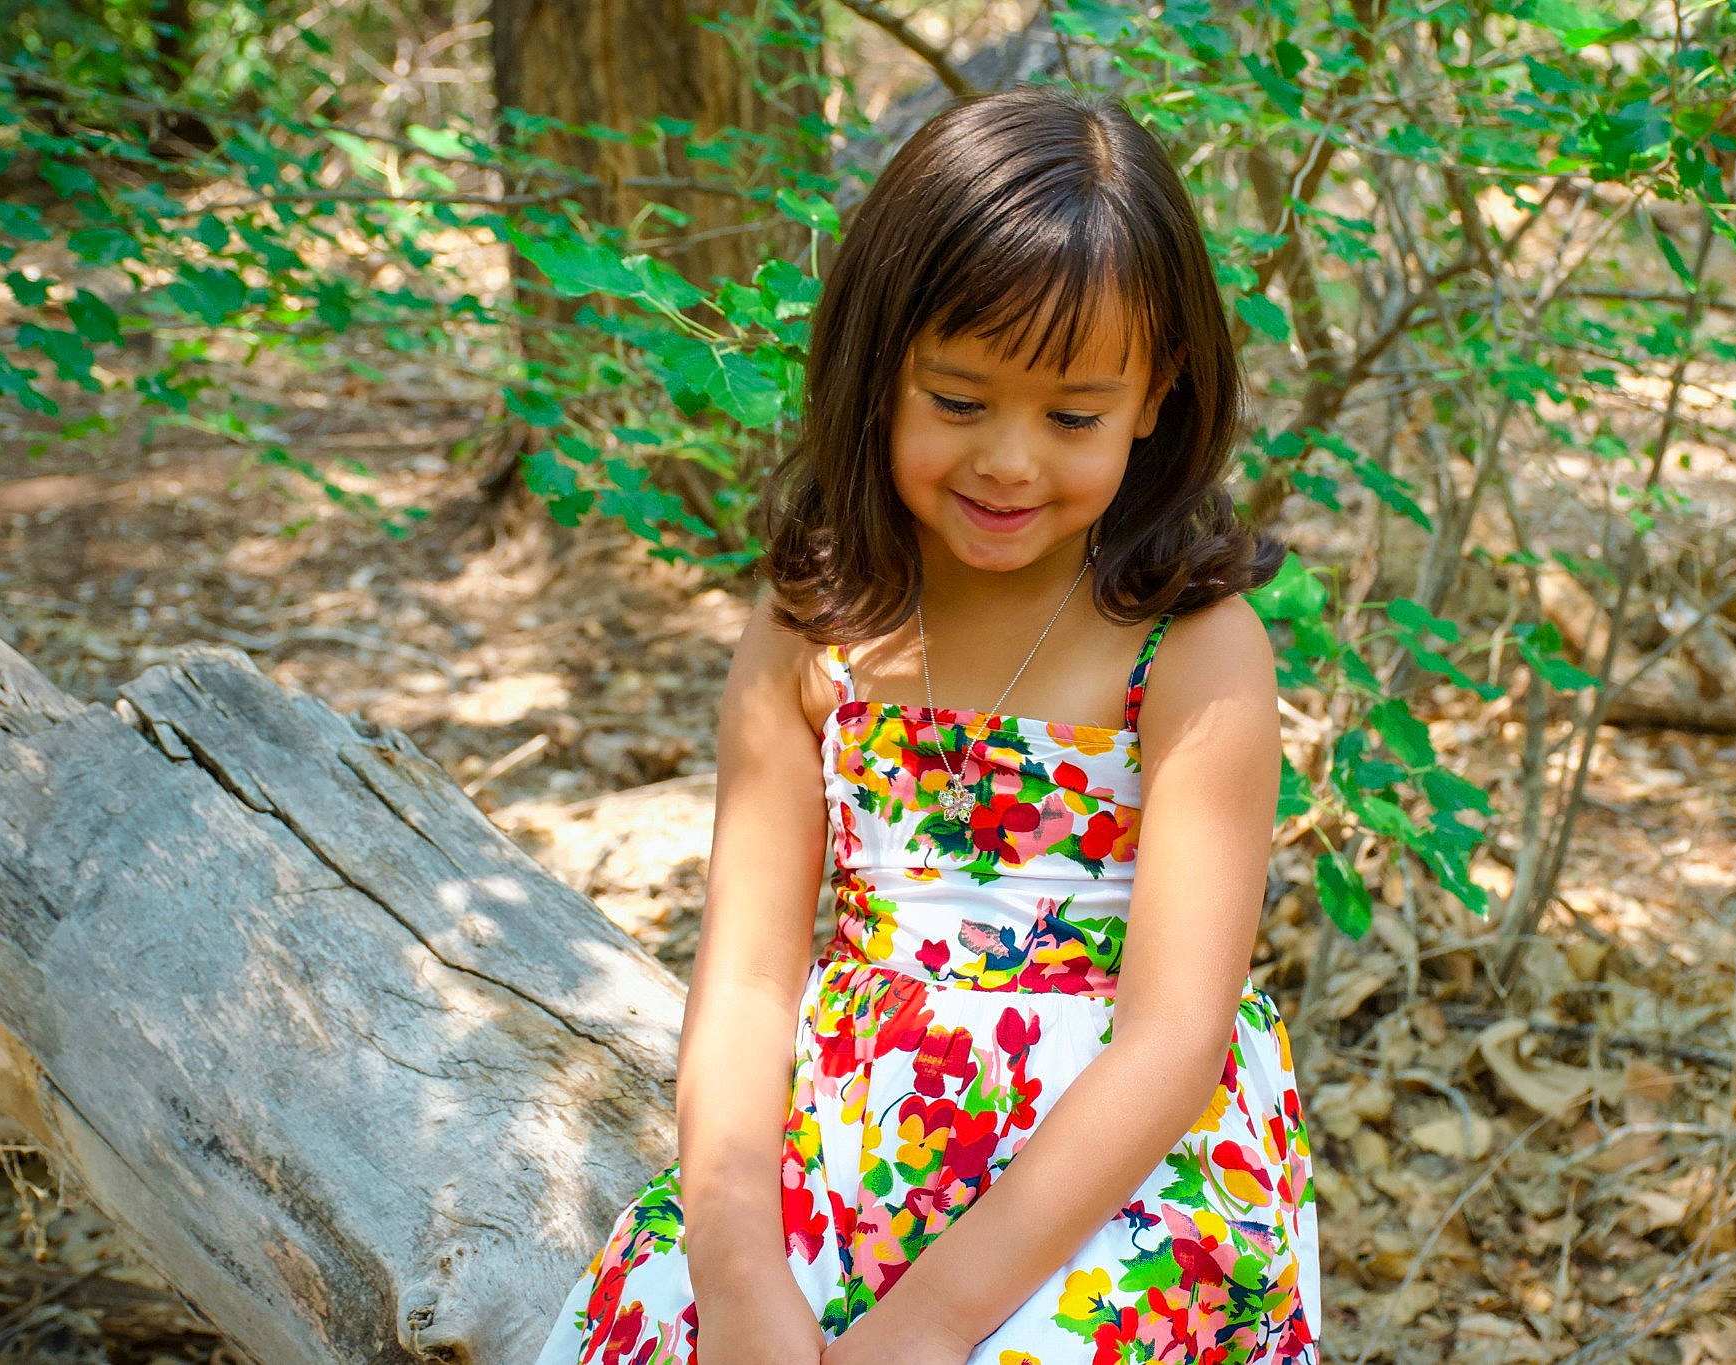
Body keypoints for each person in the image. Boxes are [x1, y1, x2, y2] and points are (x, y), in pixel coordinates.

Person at [532, 82, 1323, 1365]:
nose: (1010, 460)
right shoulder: (815, 629)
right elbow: (743, 974)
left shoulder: (1191, 651)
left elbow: (1175, 1039)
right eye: (958, 401)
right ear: (877, 368)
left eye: (1071, 416)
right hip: (837, 1162)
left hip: (1111, 1203)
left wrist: (928, 1329)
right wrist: (736, 1276)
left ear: (1155, 395)